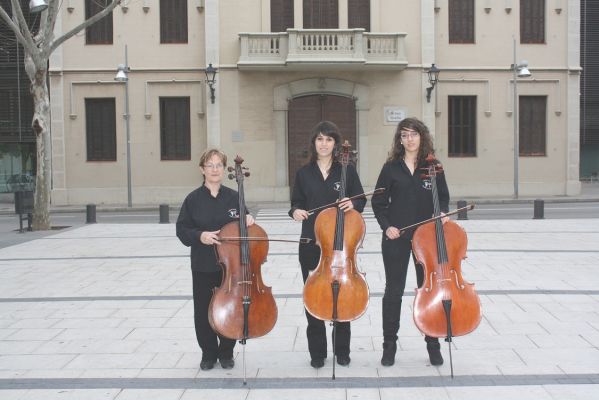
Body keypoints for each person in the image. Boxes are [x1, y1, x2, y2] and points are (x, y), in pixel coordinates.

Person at [371, 117, 449, 367]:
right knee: (393, 292)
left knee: (428, 291)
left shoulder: (434, 166)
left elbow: (443, 198)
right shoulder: (390, 168)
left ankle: (433, 343)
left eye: (413, 134)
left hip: (427, 240)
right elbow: (378, 202)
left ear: (422, 136)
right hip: (397, 238)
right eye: (404, 135)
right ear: (400, 140)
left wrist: (443, 212)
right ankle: (389, 345)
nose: (409, 139)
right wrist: (387, 226)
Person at [288, 120, 366, 369]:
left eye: (329, 139)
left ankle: (342, 351)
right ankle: (318, 352)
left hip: (340, 246)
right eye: (320, 139)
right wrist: (296, 211)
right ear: (314, 143)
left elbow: (361, 200)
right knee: (313, 297)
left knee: (343, 295)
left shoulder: (347, 171)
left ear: (335, 144)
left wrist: (353, 203)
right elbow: (296, 203)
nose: (324, 144)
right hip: (311, 244)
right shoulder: (303, 173)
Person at [176, 149, 255, 371]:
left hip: (231, 267)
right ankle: (208, 353)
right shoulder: (193, 199)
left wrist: (249, 218)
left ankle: (227, 352)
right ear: (202, 169)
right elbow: (182, 229)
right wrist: (199, 235)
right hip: (203, 265)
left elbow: (245, 224)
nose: (214, 169)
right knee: (204, 311)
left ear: (223, 169)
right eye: (209, 165)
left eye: (218, 165)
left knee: (229, 308)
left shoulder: (234, 196)